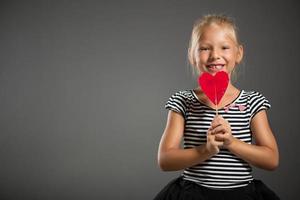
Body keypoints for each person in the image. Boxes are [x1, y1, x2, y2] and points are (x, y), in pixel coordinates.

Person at [154, 14, 280, 200]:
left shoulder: (252, 102)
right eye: (205, 48)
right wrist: (204, 150)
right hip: (193, 193)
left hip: (241, 194)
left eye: (225, 47)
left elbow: (271, 159)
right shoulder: (182, 101)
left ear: (238, 53)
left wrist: (231, 142)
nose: (215, 55)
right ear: (192, 55)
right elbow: (165, 160)